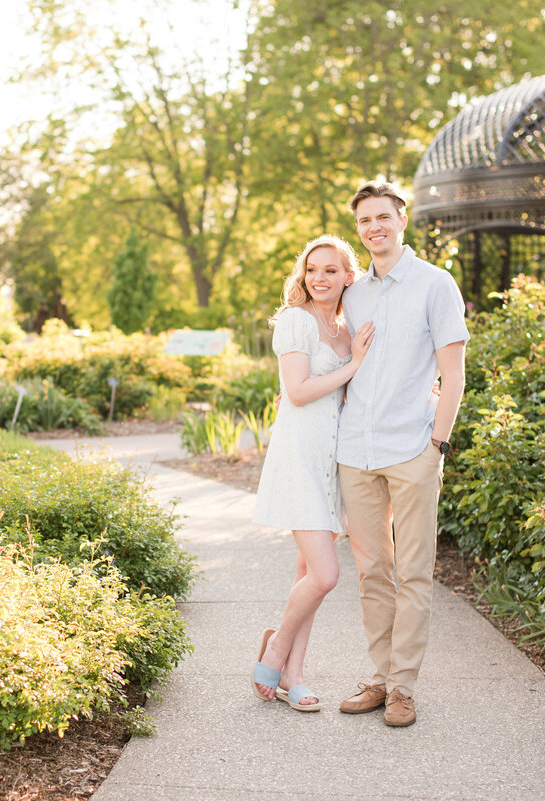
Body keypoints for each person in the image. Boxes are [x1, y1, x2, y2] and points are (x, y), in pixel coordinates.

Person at [334, 180, 469, 727]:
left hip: (413, 447)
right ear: (359, 228)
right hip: (356, 452)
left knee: (414, 572)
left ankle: (403, 688)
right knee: (372, 574)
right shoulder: (351, 290)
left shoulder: (437, 285)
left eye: (383, 217)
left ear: (402, 220)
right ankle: (379, 675)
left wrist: (437, 443)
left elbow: (454, 372)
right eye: (365, 220)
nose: (374, 227)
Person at [250, 234, 375, 712]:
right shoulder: (295, 321)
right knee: (324, 575)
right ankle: (277, 648)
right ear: (302, 275)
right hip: (300, 454)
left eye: (330, 270)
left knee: (306, 571)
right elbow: (298, 391)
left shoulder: (346, 329)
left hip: (333, 458)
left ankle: (294, 675)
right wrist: (355, 365)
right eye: (311, 269)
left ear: (348, 276)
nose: (318, 278)